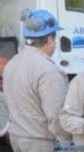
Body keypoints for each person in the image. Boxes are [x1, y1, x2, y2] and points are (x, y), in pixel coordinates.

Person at [3, 9, 71, 152]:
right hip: (40, 144)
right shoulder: (49, 71)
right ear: (50, 40)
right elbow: (57, 116)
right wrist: (68, 139)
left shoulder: (12, 63)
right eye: (55, 39)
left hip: (17, 139)